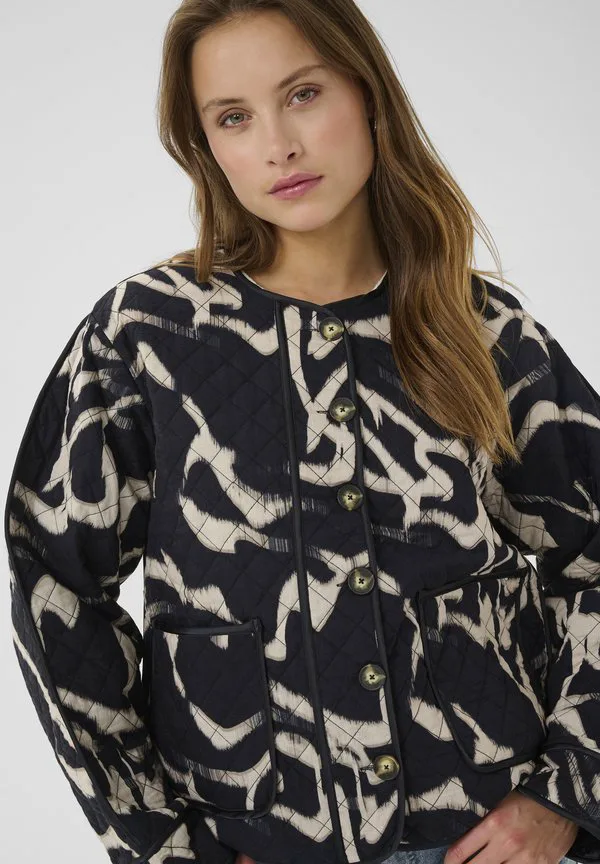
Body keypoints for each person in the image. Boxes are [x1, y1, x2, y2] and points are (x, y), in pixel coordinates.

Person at [4, 1, 599, 864]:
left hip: (481, 836)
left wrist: (568, 790)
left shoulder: (480, 328)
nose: (278, 145)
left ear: (367, 93)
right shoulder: (146, 336)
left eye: (303, 95)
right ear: (205, 146)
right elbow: (53, 585)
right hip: (256, 841)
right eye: (234, 117)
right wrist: (160, 844)